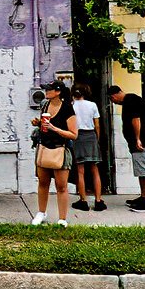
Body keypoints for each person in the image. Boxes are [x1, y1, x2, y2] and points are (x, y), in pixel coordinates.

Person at [31, 81, 78, 227]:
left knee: (61, 186)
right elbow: (44, 126)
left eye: (49, 89)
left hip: (60, 149)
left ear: (58, 92)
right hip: (44, 147)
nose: (46, 92)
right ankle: (41, 212)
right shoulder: (45, 105)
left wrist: (54, 128)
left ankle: (62, 218)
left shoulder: (67, 108)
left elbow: (73, 134)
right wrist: (38, 123)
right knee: (43, 182)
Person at [108, 85, 145, 213]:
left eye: (112, 99)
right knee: (142, 172)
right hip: (139, 143)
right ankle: (144, 197)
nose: (114, 101)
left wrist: (137, 138)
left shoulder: (131, 101)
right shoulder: (129, 101)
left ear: (115, 95)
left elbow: (136, 119)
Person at [70, 83, 104, 211]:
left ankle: (83, 200)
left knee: (80, 171)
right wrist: (97, 138)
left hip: (77, 136)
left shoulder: (71, 106)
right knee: (95, 169)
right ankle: (98, 200)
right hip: (91, 135)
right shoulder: (92, 105)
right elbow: (97, 125)